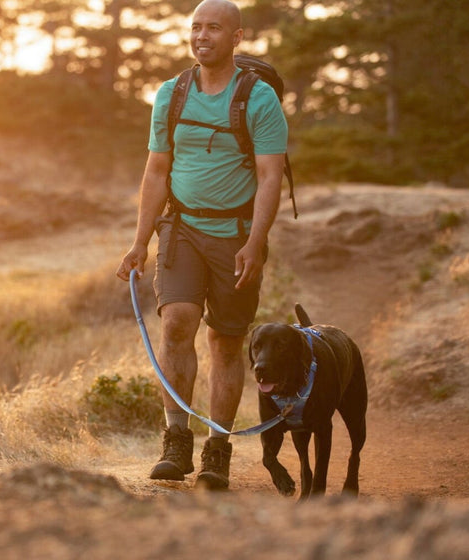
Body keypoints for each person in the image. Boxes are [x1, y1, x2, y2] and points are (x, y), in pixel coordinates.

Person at [115, 0, 288, 490]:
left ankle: (218, 449)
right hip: (182, 229)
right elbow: (156, 170)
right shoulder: (171, 95)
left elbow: (269, 174)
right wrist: (139, 241)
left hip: (236, 234)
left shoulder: (259, 100)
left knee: (226, 343)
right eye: (195, 27)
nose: (201, 35)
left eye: (214, 27)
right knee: (176, 324)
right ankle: (175, 440)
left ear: (237, 37)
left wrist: (256, 241)